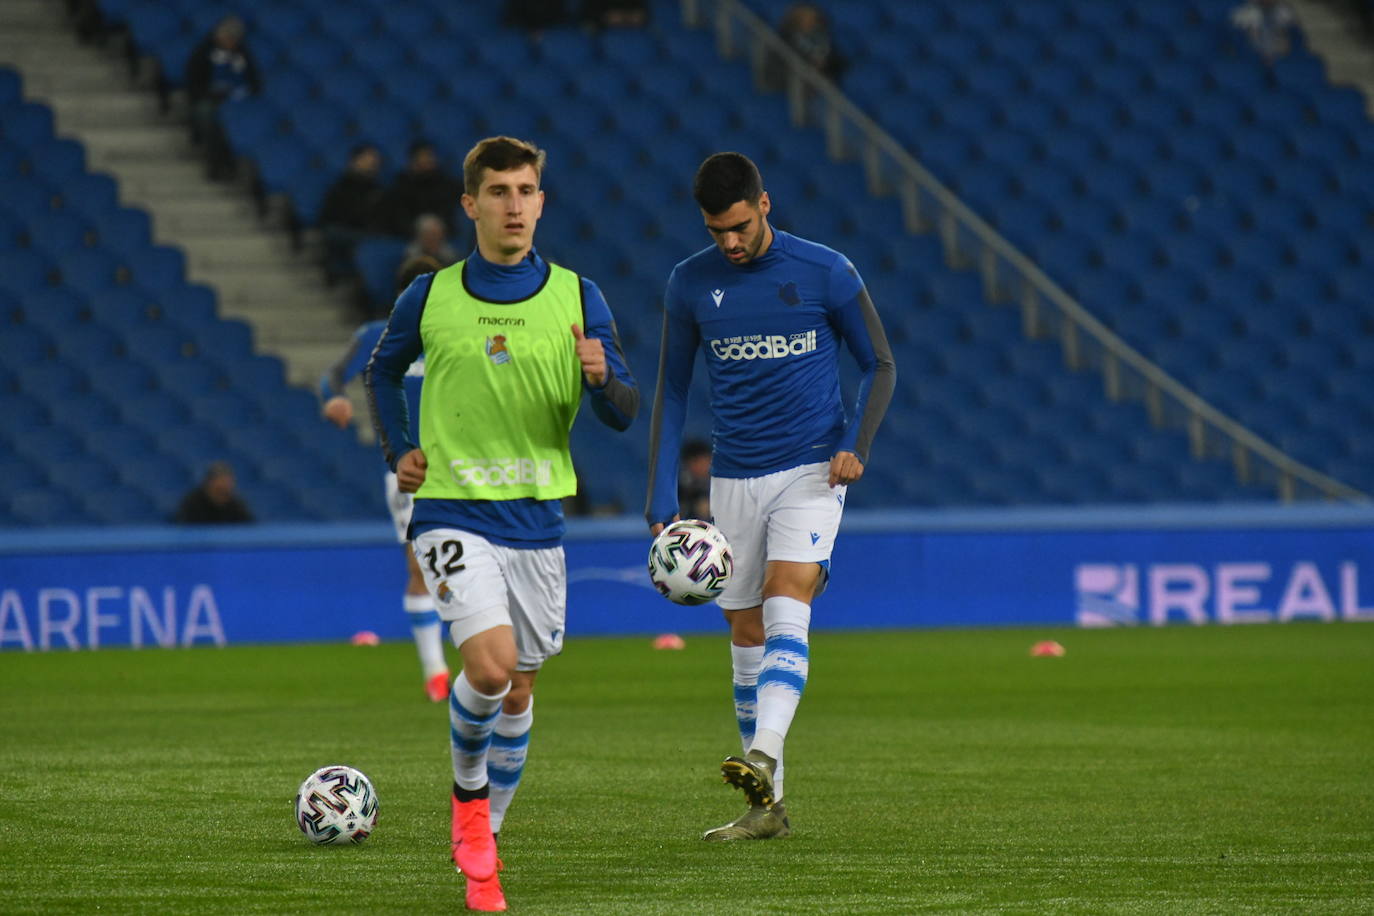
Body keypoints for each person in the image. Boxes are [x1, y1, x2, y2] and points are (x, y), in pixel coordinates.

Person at [365, 136, 638, 912]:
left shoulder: (580, 297)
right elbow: (381, 371)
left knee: (518, 690)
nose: (514, 205)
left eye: (526, 191)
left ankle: (486, 845)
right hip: (452, 510)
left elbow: (625, 411)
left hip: (538, 523)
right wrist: (400, 450)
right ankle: (467, 805)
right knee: (488, 667)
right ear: (470, 204)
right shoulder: (431, 295)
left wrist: (603, 380)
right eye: (499, 192)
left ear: (541, 202)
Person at [644, 152, 895, 842]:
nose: (729, 242)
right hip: (733, 479)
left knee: (789, 598)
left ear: (764, 204)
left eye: (738, 227)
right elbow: (671, 388)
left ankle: (762, 752)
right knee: (744, 629)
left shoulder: (826, 270)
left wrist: (857, 444)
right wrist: (662, 490)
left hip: (813, 471)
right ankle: (767, 809)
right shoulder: (690, 282)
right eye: (715, 230)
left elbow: (880, 362)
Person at [321, 255, 449, 703]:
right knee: (420, 566)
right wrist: (333, 398)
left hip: (466, 466)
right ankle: (436, 672)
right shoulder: (378, 336)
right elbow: (332, 376)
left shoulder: (458, 333)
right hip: (407, 469)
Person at [184, 14, 261, 180]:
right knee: (211, 120)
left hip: (239, 102)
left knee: (241, 122)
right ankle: (218, 166)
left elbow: (255, 83)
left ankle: (231, 165)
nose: (229, 42)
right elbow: (194, 83)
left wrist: (242, 93)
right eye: (227, 37)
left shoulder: (244, 54)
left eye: (233, 39)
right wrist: (211, 95)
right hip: (209, 100)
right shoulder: (203, 52)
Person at [319, 143, 384, 286]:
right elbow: (334, 217)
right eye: (367, 159)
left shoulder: (378, 189)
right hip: (347, 231)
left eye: (374, 161)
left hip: (369, 232)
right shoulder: (340, 188)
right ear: (355, 161)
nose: (372, 164)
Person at [375, 140, 464, 239]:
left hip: (444, 238)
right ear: (412, 161)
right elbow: (398, 218)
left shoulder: (448, 184)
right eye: (421, 157)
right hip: (411, 239)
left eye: (429, 156)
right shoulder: (401, 186)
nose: (425, 161)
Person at [173, 461, 254, 523]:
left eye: (227, 486)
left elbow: (248, 528)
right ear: (209, 484)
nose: (224, 491)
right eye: (219, 489)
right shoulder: (192, 504)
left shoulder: (236, 505)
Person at [1230, 0, 1300, 63]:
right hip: (1252, 56)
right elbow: (1237, 38)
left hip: (1280, 56)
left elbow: (1293, 39)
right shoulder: (1244, 15)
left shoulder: (1286, 13)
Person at [678, 438, 712, 520]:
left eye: (706, 460)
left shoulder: (718, 483)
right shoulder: (680, 488)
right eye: (697, 462)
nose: (703, 466)